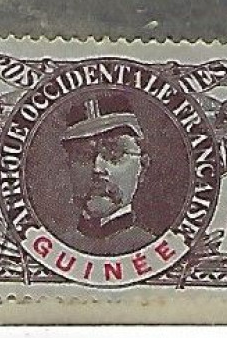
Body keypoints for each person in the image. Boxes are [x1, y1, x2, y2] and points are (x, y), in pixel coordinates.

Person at [59, 96, 155, 254]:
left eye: (114, 153)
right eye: (83, 155)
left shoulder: (153, 252)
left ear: (142, 166)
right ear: (68, 166)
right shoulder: (56, 249)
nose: (97, 168)